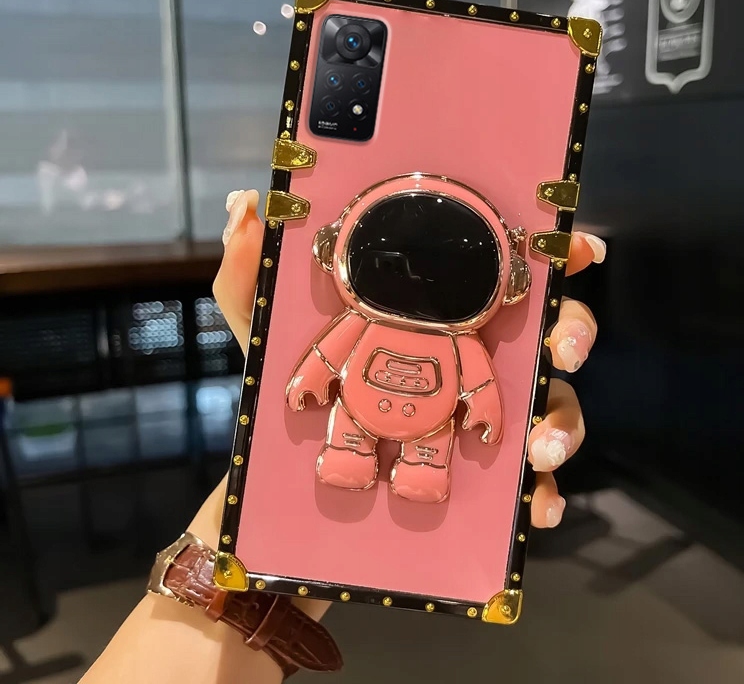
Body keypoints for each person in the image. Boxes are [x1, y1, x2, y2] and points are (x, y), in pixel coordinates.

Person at [78, 190, 604, 684]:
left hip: (414, 415)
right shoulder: (390, 326)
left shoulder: (441, 335)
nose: (415, 277)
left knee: (425, 448)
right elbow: (325, 357)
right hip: (371, 408)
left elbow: (471, 379)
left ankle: (413, 464)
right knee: (365, 439)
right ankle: (366, 455)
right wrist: (298, 395)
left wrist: (489, 410)